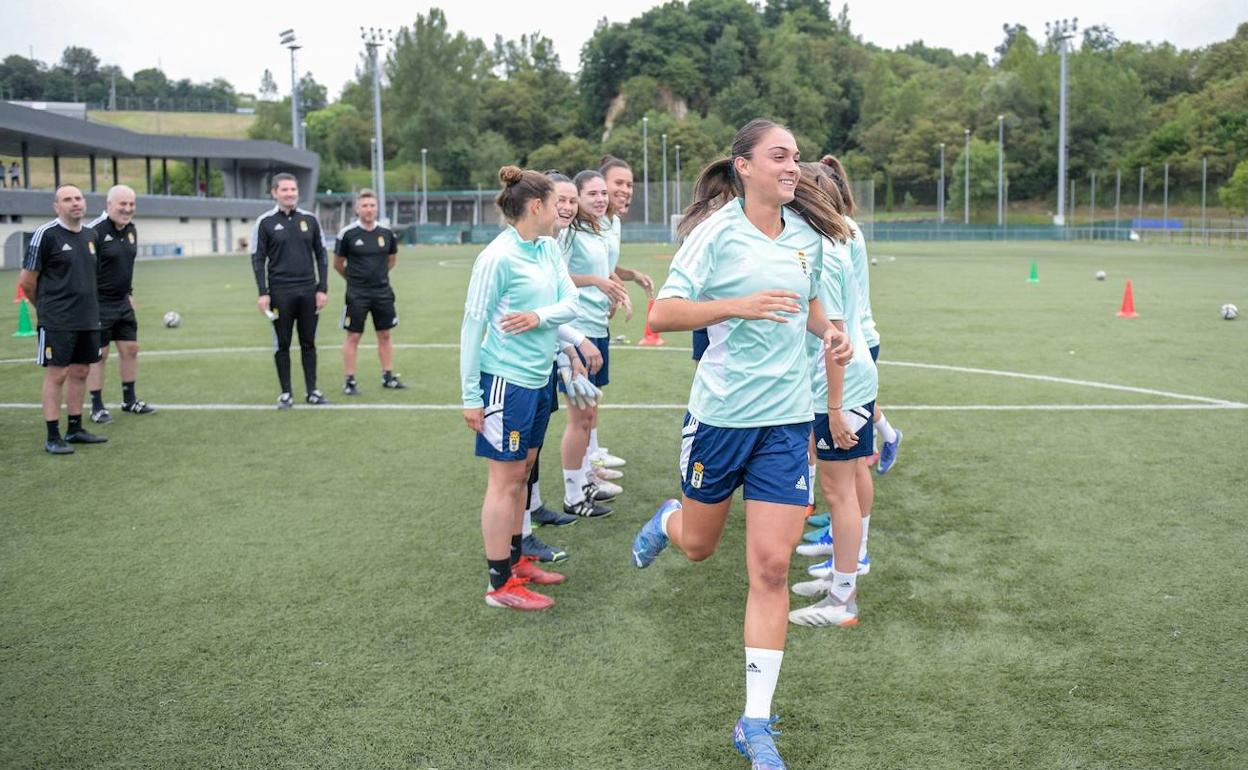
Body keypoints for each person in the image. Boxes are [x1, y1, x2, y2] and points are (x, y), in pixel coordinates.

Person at [628, 119, 852, 770]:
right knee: (699, 547)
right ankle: (669, 521)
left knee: (772, 569)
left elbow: (810, 306)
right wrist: (737, 305)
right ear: (744, 166)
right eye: (779, 156)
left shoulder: (806, 235)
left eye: (796, 157)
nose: (792, 166)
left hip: (786, 422)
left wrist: (829, 333)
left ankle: (754, 723)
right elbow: (662, 314)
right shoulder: (715, 234)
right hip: (721, 420)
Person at [460, 166, 579, 611]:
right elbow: (472, 327)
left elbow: (572, 302)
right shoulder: (497, 257)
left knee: (523, 472)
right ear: (536, 206)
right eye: (556, 202)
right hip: (504, 382)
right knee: (505, 480)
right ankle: (499, 585)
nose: (561, 209)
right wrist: (470, 396)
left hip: (538, 380)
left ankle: (516, 561)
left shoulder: (548, 248)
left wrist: (538, 317)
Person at [787, 163, 879, 627]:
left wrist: (835, 407)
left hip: (840, 383)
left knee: (838, 492)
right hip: (848, 379)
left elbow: (835, 337)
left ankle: (842, 601)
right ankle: (841, 580)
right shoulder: (829, 243)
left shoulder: (823, 251)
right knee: (842, 487)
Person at [821, 155, 902, 474]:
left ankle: (887, 438)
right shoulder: (844, 227)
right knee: (855, 426)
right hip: (858, 335)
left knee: (848, 455)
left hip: (854, 338)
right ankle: (884, 439)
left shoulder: (841, 231)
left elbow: (839, 294)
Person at [558, 169, 631, 517]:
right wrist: (597, 281)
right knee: (580, 416)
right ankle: (574, 494)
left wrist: (613, 292)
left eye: (604, 193)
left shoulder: (597, 228)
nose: (601, 199)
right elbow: (557, 277)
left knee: (588, 413)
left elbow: (605, 274)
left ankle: (587, 478)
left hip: (596, 328)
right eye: (592, 194)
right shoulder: (569, 233)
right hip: (576, 332)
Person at [18, 185, 108, 454]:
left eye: (78, 198)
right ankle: (52, 436)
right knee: (57, 374)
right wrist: (45, 309)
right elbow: (27, 281)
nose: (75, 203)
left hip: (88, 318)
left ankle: (75, 429)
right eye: (67, 199)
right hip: (57, 320)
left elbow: (92, 276)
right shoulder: (46, 235)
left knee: (81, 372)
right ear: (57, 206)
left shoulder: (92, 235)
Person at [251, 173, 330, 409]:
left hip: (308, 291)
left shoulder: (310, 220)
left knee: (309, 343)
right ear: (274, 193)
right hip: (280, 293)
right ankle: (286, 393)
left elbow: (322, 255)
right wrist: (263, 292)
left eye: (293, 190)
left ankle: (312, 391)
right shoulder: (265, 222)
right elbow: (258, 259)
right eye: (284, 190)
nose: (290, 194)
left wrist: (322, 288)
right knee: (282, 343)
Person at [86, 185, 155, 423]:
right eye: (122, 204)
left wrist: (129, 293)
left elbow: (126, 265)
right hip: (98, 303)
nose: (127, 209)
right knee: (100, 355)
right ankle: (97, 407)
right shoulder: (94, 231)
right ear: (109, 205)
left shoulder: (131, 229)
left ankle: (129, 400)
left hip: (123, 301)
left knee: (130, 349)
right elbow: (85, 271)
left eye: (131, 204)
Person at [333, 189, 406, 395]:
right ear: (357, 209)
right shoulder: (347, 234)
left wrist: (378, 277)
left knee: (385, 334)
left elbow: (391, 260)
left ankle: (388, 376)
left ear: (377, 208)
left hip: (383, 292)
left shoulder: (386, 233)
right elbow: (338, 264)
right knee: (353, 336)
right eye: (364, 206)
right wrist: (354, 280)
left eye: (372, 205)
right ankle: (350, 381)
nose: (369, 209)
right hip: (357, 294)